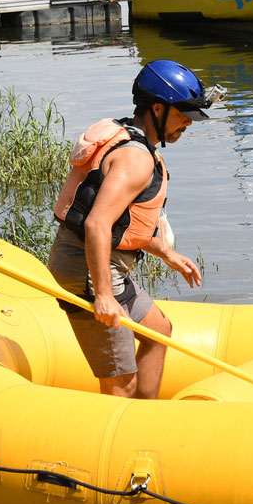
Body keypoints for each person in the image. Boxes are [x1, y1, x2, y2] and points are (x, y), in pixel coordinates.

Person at [46, 59, 217, 400]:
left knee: (158, 332)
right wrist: (104, 296)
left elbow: (121, 226)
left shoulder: (128, 136)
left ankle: (146, 416)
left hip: (105, 264)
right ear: (157, 108)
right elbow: (97, 223)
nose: (188, 122)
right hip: (89, 272)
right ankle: (121, 439)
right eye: (183, 113)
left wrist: (165, 251)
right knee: (120, 380)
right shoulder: (136, 159)